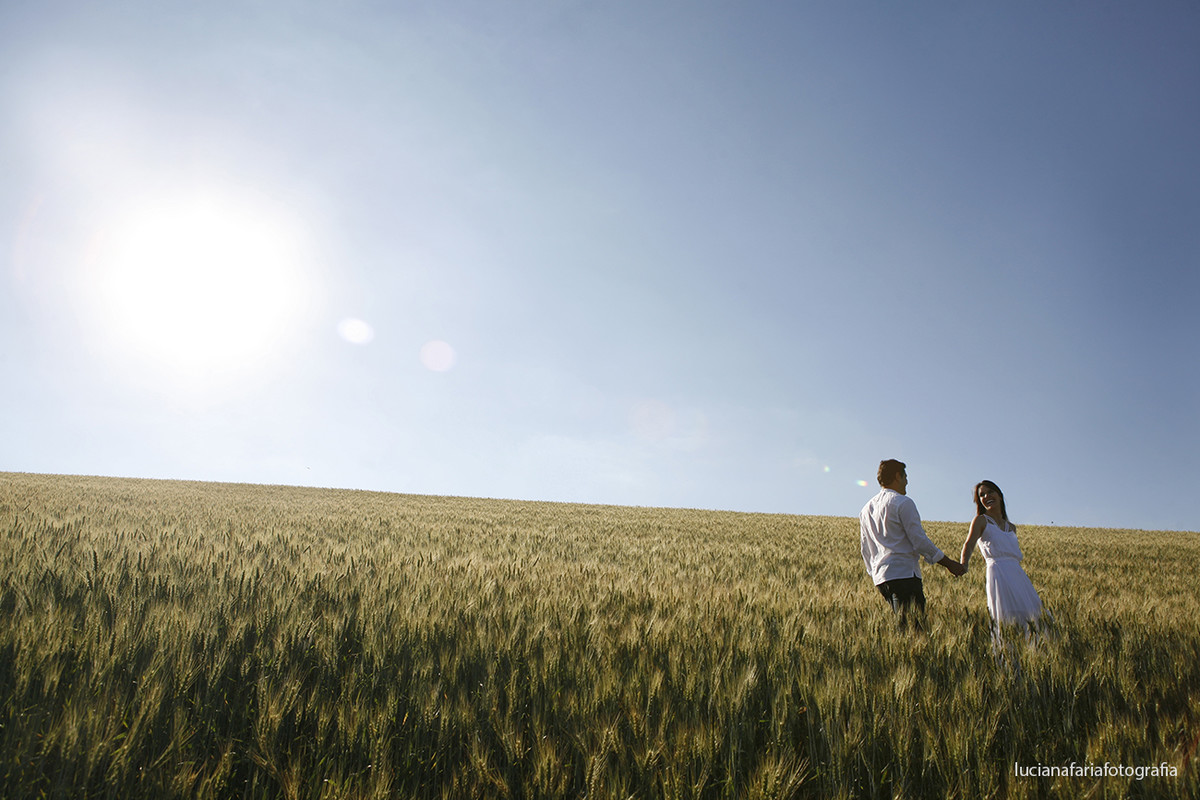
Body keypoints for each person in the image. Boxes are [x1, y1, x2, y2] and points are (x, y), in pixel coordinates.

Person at [860, 459, 965, 628]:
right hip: (904, 576)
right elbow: (920, 541)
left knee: (903, 629)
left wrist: (876, 574)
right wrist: (949, 563)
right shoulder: (902, 502)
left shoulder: (866, 510)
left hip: (882, 579)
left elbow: (865, 548)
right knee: (915, 630)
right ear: (897, 476)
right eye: (905, 476)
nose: (907, 481)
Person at [958, 480, 1044, 631]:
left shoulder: (1011, 527)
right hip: (998, 573)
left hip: (1018, 575)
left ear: (1000, 496)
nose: (986, 496)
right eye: (982, 495)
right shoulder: (981, 520)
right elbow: (969, 544)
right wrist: (963, 564)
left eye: (990, 492)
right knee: (1006, 618)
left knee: (1031, 614)